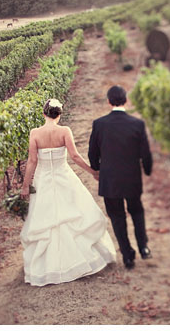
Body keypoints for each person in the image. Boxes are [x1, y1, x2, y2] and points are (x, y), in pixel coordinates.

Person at [21, 95, 117, 285]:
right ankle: (79, 259)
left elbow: (32, 161)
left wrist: (25, 185)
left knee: (46, 219)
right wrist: (92, 171)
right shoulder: (64, 130)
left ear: (43, 113)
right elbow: (75, 156)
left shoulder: (35, 133)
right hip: (63, 176)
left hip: (43, 179)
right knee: (74, 213)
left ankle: (46, 266)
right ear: (59, 114)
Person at [88, 85, 153, 270]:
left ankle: (127, 255)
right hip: (132, 177)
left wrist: (97, 170)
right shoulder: (137, 124)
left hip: (110, 180)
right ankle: (144, 247)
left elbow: (93, 153)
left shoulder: (99, 124)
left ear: (109, 101)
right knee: (137, 212)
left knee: (117, 217)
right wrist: (147, 171)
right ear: (126, 100)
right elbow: (145, 153)